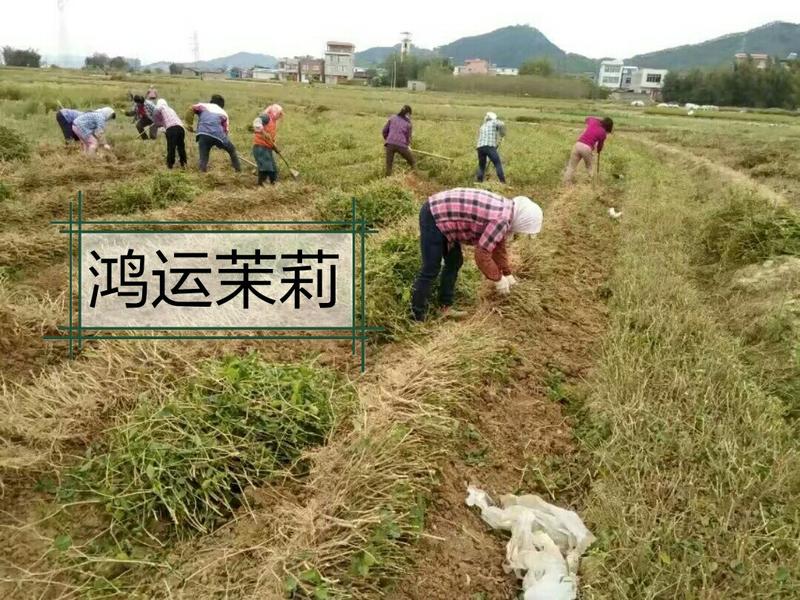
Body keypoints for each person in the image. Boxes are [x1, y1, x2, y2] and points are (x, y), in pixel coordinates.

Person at [410, 188, 543, 322]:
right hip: (434, 214)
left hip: (445, 215)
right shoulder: (502, 220)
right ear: (522, 221)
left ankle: (444, 307)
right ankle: (417, 316)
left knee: (454, 261)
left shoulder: (507, 210)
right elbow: (481, 254)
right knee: (431, 268)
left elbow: (498, 246)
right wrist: (497, 279)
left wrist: (507, 273)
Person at [185, 94, 241, 173]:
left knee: (203, 157)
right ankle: (238, 171)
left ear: (211, 101)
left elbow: (191, 109)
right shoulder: (224, 113)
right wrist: (221, 143)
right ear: (222, 105)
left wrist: (189, 124)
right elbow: (225, 130)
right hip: (218, 135)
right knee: (232, 150)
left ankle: (202, 172)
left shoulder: (203, 106)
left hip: (202, 134)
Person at [563, 116, 613, 184]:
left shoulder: (593, 121)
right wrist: (599, 151)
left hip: (577, 144)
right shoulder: (603, 133)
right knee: (589, 167)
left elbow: (588, 118)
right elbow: (600, 145)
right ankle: (592, 183)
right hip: (587, 148)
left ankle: (566, 183)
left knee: (571, 166)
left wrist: (599, 120)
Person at [251, 104, 283, 185]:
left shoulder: (273, 121)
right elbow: (256, 122)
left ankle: (274, 184)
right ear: (275, 112)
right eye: (279, 114)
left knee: (273, 169)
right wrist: (263, 131)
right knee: (266, 168)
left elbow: (271, 138)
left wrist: (275, 147)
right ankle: (261, 185)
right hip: (260, 147)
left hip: (267, 148)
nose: (280, 116)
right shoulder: (266, 117)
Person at [152, 99, 186, 169]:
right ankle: (183, 163)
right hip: (181, 128)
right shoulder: (170, 109)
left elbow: (156, 120)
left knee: (171, 147)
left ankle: (170, 165)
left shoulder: (158, 108)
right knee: (181, 146)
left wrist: (158, 123)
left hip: (172, 129)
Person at [382, 105, 415, 176]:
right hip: (402, 146)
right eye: (410, 115)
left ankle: (387, 180)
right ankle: (416, 176)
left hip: (389, 145)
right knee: (412, 162)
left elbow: (384, 131)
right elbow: (408, 137)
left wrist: (388, 139)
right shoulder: (408, 124)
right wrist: (408, 146)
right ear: (408, 114)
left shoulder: (392, 118)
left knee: (389, 165)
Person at [476, 111, 506, 183]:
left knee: (481, 165)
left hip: (480, 148)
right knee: (497, 163)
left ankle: (479, 181)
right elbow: (502, 124)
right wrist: (502, 135)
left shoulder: (483, 126)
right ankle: (503, 182)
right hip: (489, 146)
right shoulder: (494, 122)